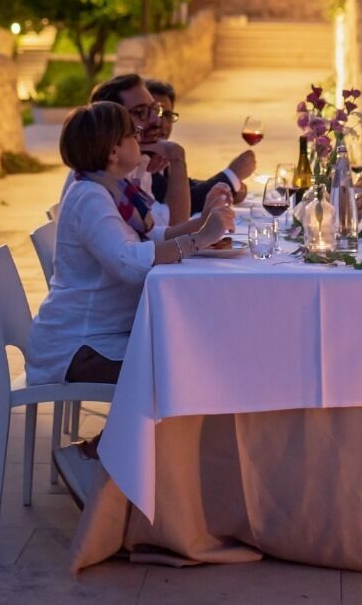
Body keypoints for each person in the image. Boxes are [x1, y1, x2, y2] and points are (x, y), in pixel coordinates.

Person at [29, 102, 235, 503]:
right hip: (78, 345)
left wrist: (202, 221)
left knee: (184, 358)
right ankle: (98, 460)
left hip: (100, 333)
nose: (138, 137)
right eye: (129, 134)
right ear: (112, 151)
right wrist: (200, 239)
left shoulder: (112, 190)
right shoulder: (89, 197)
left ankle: (148, 477)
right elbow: (127, 262)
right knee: (177, 369)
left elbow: (147, 240)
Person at [81, 74, 190, 231]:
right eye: (141, 112)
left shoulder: (138, 161)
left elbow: (161, 226)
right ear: (111, 121)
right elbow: (175, 226)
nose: (156, 120)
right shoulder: (97, 175)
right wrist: (176, 155)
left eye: (155, 109)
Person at [146, 79, 257, 211]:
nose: (160, 123)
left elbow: (187, 185)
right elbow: (185, 205)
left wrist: (229, 186)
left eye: (167, 115)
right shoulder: (139, 160)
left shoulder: (159, 153)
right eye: (154, 113)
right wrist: (232, 175)